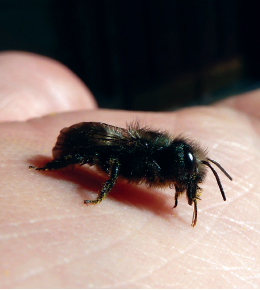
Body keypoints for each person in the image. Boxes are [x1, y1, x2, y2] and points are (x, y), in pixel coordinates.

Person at [0, 51, 258, 288]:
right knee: (104, 157)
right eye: (184, 175)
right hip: (85, 139)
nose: (185, 178)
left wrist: (185, 188)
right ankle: (50, 168)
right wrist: (102, 192)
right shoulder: (147, 154)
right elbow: (116, 161)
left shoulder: (163, 161)